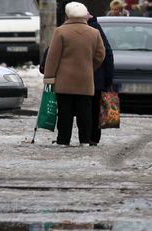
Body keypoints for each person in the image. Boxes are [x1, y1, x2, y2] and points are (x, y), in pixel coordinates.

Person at [43, 2, 106, 146]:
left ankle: (63, 140)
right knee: (85, 112)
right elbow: (100, 55)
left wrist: (49, 77)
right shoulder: (94, 32)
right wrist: (90, 67)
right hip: (85, 80)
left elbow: (53, 57)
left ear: (67, 15)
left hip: (64, 81)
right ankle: (84, 140)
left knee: (65, 112)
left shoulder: (60, 32)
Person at [88, 15, 115, 145]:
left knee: (92, 109)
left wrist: (108, 78)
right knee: (94, 109)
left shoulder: (94, 28)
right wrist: (108, 79)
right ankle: (93, 138)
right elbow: (108, 53)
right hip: (96, 79)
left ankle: (92, 137)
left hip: (94, 77)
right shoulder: (95, 27)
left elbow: (107, 53)